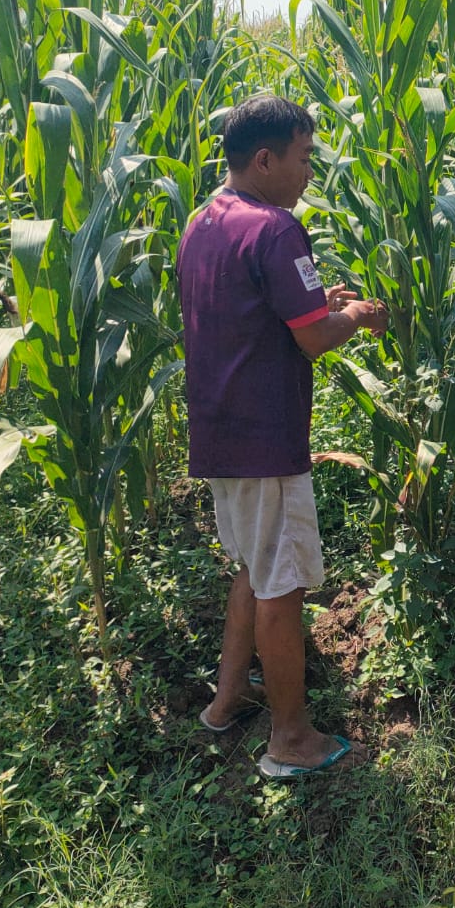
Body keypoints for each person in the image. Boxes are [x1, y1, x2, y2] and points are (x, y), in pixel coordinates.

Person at [176, 94, 387, 777]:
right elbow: (316, 340)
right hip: (265, 437)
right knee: (283, 585)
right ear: (264, 159)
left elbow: (251, 311)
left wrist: (316, 307)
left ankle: (224, 704)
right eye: (301, 158)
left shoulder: (203, 221)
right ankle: (289, 741)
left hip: (218, 432)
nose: (307, 174)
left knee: (255, 568)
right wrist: (352, 315)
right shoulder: (276, 228)